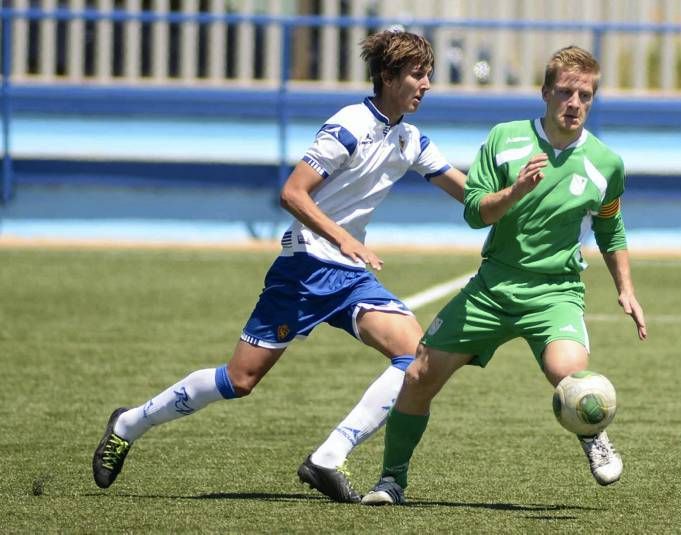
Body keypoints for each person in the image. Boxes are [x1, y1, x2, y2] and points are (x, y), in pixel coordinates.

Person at [92, 30, 466, 503]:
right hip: (305, 267)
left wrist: (518, 195)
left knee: (417, 358)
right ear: (388, 77)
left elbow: (464, 189)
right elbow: (292, 193)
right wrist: (345, 237)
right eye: (417, 74)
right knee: (239, 380)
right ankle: (130, 422)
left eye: (428, 73)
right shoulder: (349, 125)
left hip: (348, 276)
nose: (427, 83)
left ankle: (328, 458)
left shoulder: (409, 139)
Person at [361, 45, 647, 506]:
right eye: (566, 92)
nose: (574, 103)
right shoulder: (505, 139)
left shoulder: (605, 164)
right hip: (491, 289)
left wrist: (626, 289)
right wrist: (516, 191)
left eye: (585, 95)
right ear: (546, 93)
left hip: (555, 293)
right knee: (417, 377)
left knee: (570, 374)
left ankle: (591, 431)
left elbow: (610, 226)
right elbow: (475, 212)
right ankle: (391, 481)